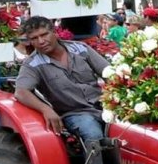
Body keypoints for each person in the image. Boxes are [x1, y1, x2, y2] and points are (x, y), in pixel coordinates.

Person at [14, 16, 109, 144]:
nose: (41, 41)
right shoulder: (32, 64)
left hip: (104, 107)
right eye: (34, 38)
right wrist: (46, 109)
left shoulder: (80, 49)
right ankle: (97, 157)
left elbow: (109, 73)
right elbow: (21, 92)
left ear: (54, 32)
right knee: (93, 134)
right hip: (75, 114)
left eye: (44, 35)